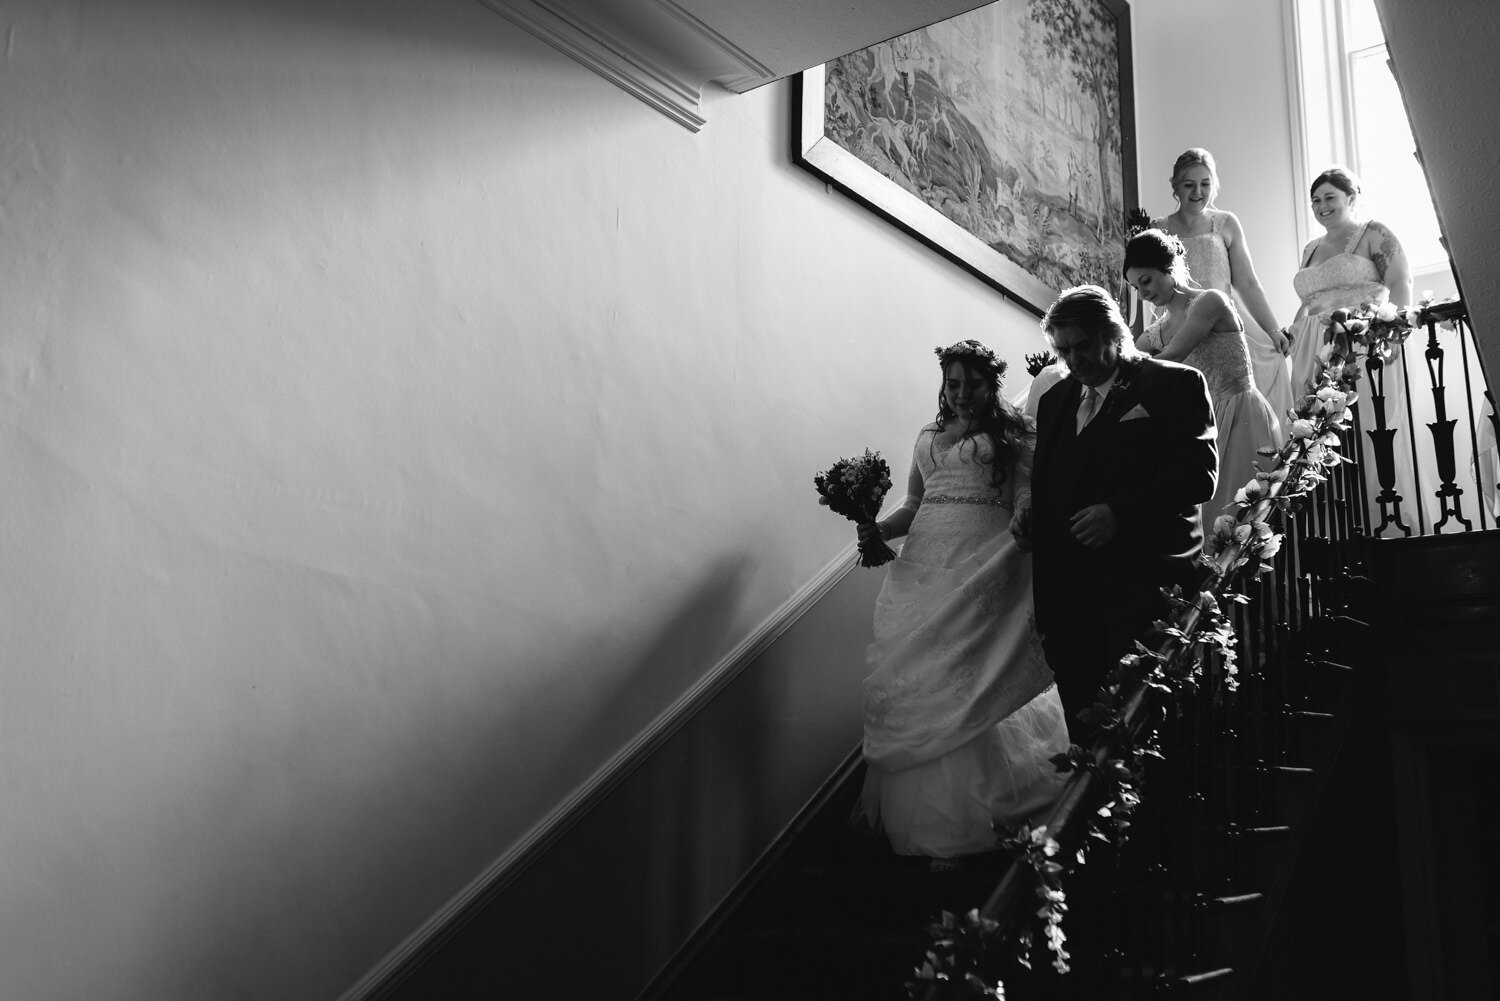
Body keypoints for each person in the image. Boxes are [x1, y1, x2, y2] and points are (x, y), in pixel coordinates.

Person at [856, 340, 1070, 865]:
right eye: (953, 384)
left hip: (985, 558)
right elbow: (913, 503)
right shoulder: (927, 436)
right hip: (924, 566)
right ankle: (931, 818)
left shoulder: (1014, 431)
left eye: (972, 384)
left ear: (990, 384)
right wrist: (876, 528)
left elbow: (1025, 490)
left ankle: (996, 808)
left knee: (976, 667)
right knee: (925, 672)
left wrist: (1025, 513)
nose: (961, 394)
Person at [1015, 286, 1217, 723]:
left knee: (1148, 727)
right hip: (1070, 605)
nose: (1073, 360)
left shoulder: (1174, 384)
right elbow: (1048, 481)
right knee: (1085, 731)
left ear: (1113, 332)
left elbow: (1199, 476)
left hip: (1142, 591)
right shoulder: (1054, 401)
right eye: (1063, 350)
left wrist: (1121, 513)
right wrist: (1031, 515)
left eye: (1083, 346)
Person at [1285, 166, 1415, 533]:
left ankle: (1384, 521)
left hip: (1361, 341)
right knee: (1319, 431)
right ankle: (1339, 526)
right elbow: (1309, 300)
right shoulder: (1311, 248)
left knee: (1369, 427)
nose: (1321, 206)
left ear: (1351, 198)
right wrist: (1290, 334)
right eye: (1315, 200)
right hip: (1312, 346)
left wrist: (1391, 335)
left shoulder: (1373, 232)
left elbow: (1399, 281)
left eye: (1330, 198)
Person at [1127, 228, 1281, 522]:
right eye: (1135, 287)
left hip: (1240, 412)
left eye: (1145, 280)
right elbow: (1131, 368)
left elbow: (1172, 357)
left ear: (1169, 266)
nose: (1142, 292)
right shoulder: (1154, 332)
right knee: (1210, 520)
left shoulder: (1211, 302)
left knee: (1243, 516)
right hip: (1201, 423)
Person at [1152, 148, 1295, 422]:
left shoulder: (1226, 223)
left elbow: (1248, 283)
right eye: (1189, 184)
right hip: (1178, 319)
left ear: (1213, 185)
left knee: (1245, 388)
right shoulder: (1159, 228)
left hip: (1225, 319)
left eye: (1205, 184)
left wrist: (1273, 329)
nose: (1198, 191)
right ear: (1175, 187)